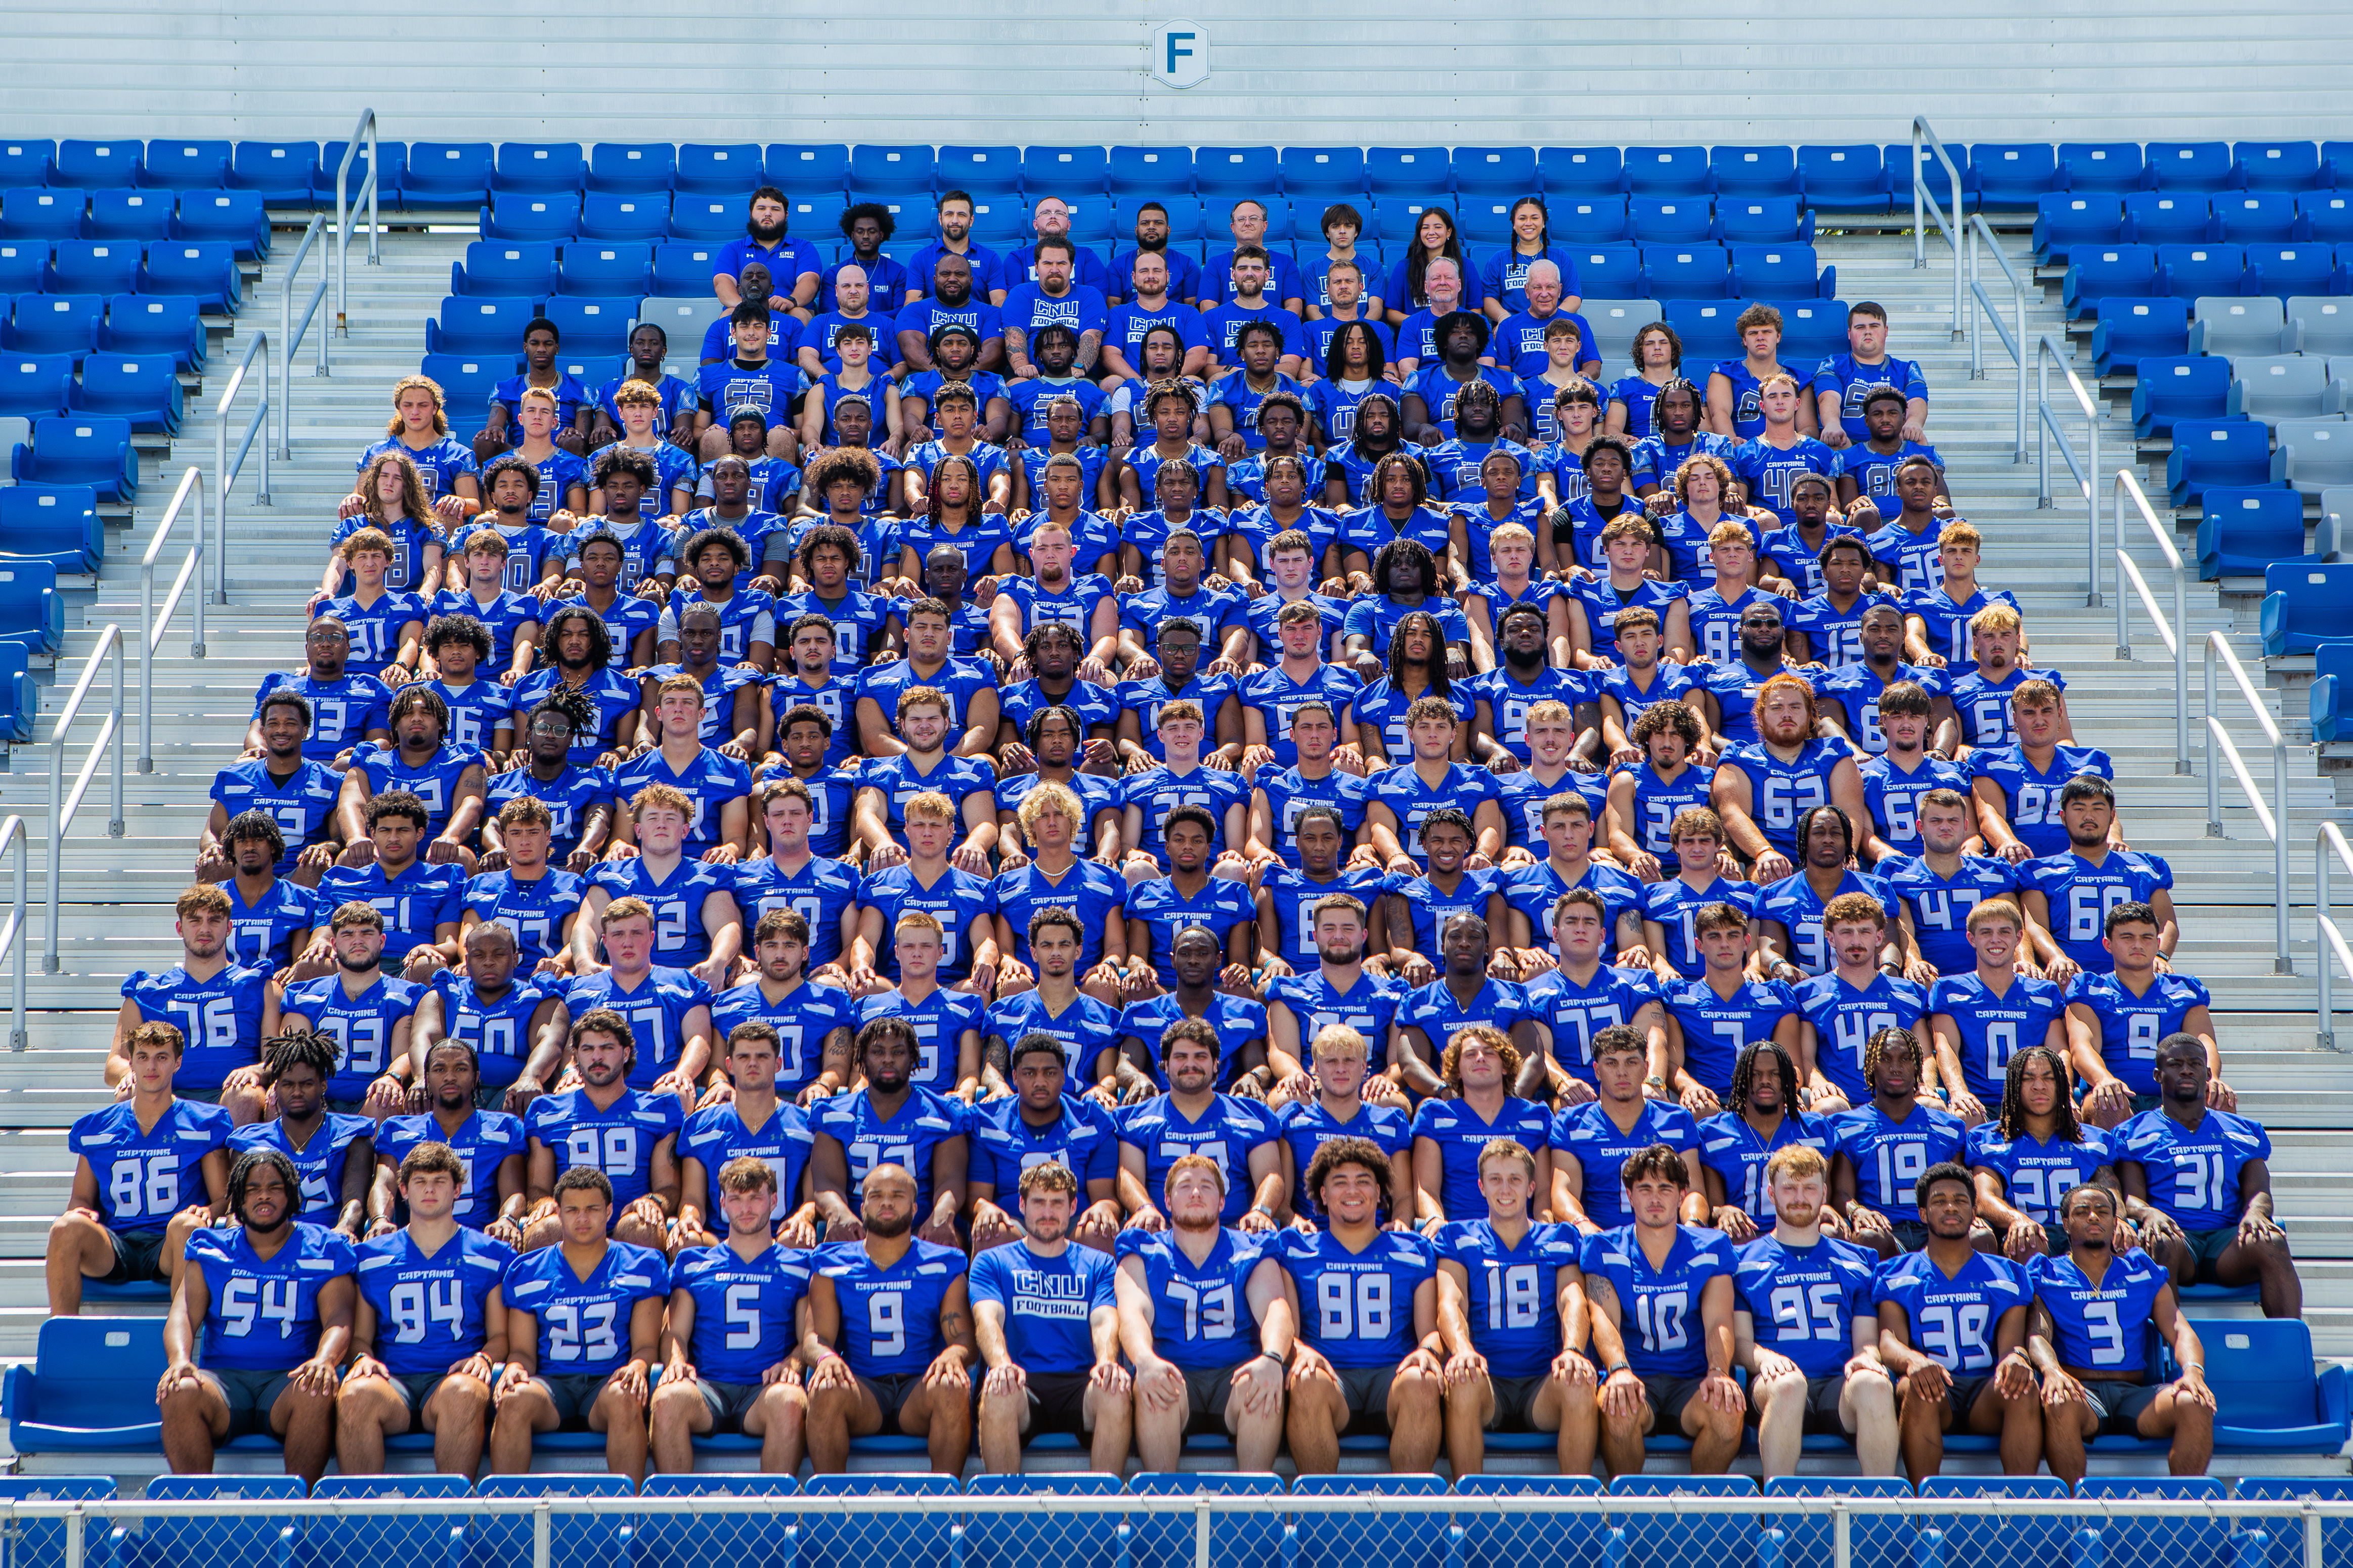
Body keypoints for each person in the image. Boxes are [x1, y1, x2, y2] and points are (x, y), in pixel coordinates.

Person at [159, 1149, 356, 1483]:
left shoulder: (325, 1247)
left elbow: (339, 1317)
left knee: (316, 1388)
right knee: (179, 1389)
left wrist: (325, 1358)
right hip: (223, 1380)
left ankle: (297, 1509)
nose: (263, 1195)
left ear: (292, 1194)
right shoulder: (210, 1247)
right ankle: (193, 1513)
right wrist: (179, 1360)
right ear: (238, 1197)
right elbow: (183, 1313)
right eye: (252, 1188)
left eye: (275, 1187)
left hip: (287, 1380)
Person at [335, 1142, 512, 1475]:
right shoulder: (372, 1256)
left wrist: (484, 1358)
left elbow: (501, 1335)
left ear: (458, 1188)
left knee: (464, 1392)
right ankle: (363, 1521)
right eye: (420, 1181)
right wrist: (362, 1359)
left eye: (440, 1181)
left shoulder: (491, 1254)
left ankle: (454, 1519)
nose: (429, 1189)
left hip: (453, 1378)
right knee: (356, 1392)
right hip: (393, 1381)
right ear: (403, 1189)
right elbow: (360, 1338)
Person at [1274, 1136, 1444, 1472]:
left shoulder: (1413, 1248)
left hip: (1392, 1378)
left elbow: (1431, 1332)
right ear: (1323, 1194)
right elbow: (1287, 1329)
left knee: (1422, 1380)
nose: (1353, 1190)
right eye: (1340, 1182)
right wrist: (1300, 1351)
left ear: (1380, 1192)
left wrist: (1428, 1351)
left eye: (1363, 1181)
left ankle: (1412, 1513)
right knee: (1306, 1380)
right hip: (1330, 1378)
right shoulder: (1295, 1248)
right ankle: (1319, 1513)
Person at [490, 1166, 668, 1483]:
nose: (582, 1219)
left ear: (610, 1211)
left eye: (592, 1210)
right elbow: (522, 1351)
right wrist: (516, 1367)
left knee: (626, 1397)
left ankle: (629, 1513)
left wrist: (639, 1366)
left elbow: (645, 1346)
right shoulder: (527, 1270)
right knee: (514, 1399)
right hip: (552, 1385)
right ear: (557, 1213)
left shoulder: (642, 1264)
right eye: (572, 1210)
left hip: (607, 1381)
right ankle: (508, 1519)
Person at [1115, 1153, 1293, 1470]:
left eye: (1206, 1187)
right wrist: (1145, 1360)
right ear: (1167, 1202)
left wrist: (1272, 1358)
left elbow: (1274, 1310)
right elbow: (1132, 1315)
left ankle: (1253, 1508)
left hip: (1234, 1373)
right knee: (1156, 1385)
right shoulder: (1143, 1250)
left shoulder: (1250, 1248)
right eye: (1185, 1186)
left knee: (1263, 1383)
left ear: (1223, 1202)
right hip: (1173, 1368)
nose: (1196, 1193)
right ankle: (1162, 1506)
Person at [2027, 1181, 2213, 1482]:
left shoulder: (2141, 1271)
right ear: (2065, 1224)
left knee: (2195, 1402)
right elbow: (2038, 1333)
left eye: (2102, 1212)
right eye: (2082, 1211)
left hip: (2133, 1394)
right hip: (2081, 1391)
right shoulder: (2047, 1274)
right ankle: (2075, 1513)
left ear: (2116, 1222)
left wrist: (2193, 1371)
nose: (2093, 1217)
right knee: (2059, 1401)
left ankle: (2186, 1513)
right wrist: (2051, 1370)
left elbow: (2179, 1329)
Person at [1433, 1135, 1597, 1476]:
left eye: (1515, 1179)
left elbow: (1573, 1299)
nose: (1504, 1189)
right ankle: (1470, 1508)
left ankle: (1578, 1511)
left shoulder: (1559, 1238)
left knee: (1578, 1380)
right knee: (1463, 1378)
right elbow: (1451, 1300)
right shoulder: (1458, 1237)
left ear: (1532, 1186)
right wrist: (1462, 1349)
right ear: (1480, 1186)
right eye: (1495, 1179)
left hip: (1541, 1385)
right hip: (1486, 1384)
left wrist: (1572, 1350)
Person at [1731, 1144, 1897, 1479]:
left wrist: (1866, 1357)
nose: (1799, 1197)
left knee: (1875, 1384)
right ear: (1770, 1192)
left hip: (1838, 1384)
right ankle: (1779, 1511)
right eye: (1789, 1187)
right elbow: (1739, 1341)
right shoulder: (1742, 1260)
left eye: (1809, 1187)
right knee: (1790, 1385)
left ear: (1824, 1191)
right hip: (1777, 1384)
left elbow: (1866, 1338)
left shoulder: (1857, 1260)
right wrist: (1764, 1359)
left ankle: (1881, 1514)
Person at [1581, 1142, 1745, 1475]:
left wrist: (1718, 1371)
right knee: (1618, 1406)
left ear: (1683, 1194)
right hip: (1635, 1372)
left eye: (1665, 1188)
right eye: (1645, 1188)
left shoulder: (1711, 1247)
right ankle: (1628, 1513)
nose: (1655, 1198)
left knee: (1727, 1409)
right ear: (1630, 1194)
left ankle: (1701, 1512)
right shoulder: (1604, 1247)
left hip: (1692, 1379)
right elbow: (1604, 1320)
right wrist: (1619, 1369)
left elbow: (1719, 1321)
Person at [1872, 1160, 2042, 1481]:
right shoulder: (1895, 1272)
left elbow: (2011, 1346)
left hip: (1985, 1391)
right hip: (1933, 1388)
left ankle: (2023, 1511)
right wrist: (1914, 1361)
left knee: (2023, 1385)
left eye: (1961, 1200)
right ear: (1923, 1214)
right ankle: (1924, 1509)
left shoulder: (2008, 1272)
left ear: (1974, 1211)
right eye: (1939, 1201)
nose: (1951, 1207)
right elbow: (1889, 1340)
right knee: (1916, 1386)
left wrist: (2017, 1360)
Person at [803, 1161, 976, 1474]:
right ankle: (830, 1511)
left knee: (952, 1385)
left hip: (918, 1390)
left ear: (914, 1207)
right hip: (863, 1390)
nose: (886, 1202)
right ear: (862, 1205)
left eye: (897, 1195)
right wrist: (825, 1358)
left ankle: (945, 1508)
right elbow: (817, 1339)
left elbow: (964, 1339)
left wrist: (954, 1354)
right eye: (877, 1195)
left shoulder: (943, 1264)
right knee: (825, 1387)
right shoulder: (832, 1264)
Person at [648, 1155, 815, 1475]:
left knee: (790, 1400)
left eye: (756, 1197)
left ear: (775, 1200)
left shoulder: (799, 1266)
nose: (746, 1208)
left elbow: (808, 1336)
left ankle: (776, 1518)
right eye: (736, 1200)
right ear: (723, 1203)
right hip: (708, 1386)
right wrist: (677, 1363)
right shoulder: (695, 1264)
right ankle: (673, 1520)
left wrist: (790, 1365)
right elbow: (676, 1332)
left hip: (764, 1389)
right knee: (668, 1398)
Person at [50, 1021, 231, 1316]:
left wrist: (210, 1211)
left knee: (189, 1228)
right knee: (65, 1228)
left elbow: (223, 1197)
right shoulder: (97, 1127)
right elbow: (81, 1197)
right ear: (131, 1062)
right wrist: (80, 1211)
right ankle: (62, 1337)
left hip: (169, 1244)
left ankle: (183, 1342)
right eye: (144, 1056)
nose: (152, 1066)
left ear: (178, 1062)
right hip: (116, 1243)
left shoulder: (203, 1122)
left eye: (162, 1057)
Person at [2117, 1033, 2300, 1319]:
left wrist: (2256, 1214)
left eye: (2195, 1063)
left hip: (2227, 1244)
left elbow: (2259, 1191)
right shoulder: (2134, 1131)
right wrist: (2148, 1212)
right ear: (2158, 1074)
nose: (2187, 1070)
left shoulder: (2242, 1129)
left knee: (2272, 1241)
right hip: (2178, 1239)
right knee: (2160, 1242)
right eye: (2176, 1064)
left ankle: (2291, 1345)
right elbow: (2131, 1196)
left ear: (2208, 1073)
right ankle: (2170, 1351)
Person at [968, 1162, 1131, 1473]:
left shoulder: (1099, 1264)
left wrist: (1107, 1362)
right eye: (1038, 1202)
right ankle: (1003, 1514)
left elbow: (1104, 1321)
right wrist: (1001, 1364)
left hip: (1081, 1383)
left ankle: (1104, 1513)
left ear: (1073, 1207)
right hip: (1022, 1381)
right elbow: (988, 1319)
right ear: (1021, 1205)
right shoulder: (993, 1261)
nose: (1047, 1212)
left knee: (1114, 1390)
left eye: (1057, 1203)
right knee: (997, 1390)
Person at [520, 1010, 683, 1251]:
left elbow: (668, 1186)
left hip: (629, 1216)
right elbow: (537, 1187)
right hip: (573, 1219)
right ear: (575, 1057)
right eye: (587, 1049)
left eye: (607, 1048)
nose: (597, 1057)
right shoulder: (546, 1111)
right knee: (545, 1229)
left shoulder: (659, 1109)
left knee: (642, 1227)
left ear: (626, 1053)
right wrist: (544, 1202)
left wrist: (653, 1202)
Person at [115, 884, 275, 1125]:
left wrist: (256, 1070)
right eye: (195, 920)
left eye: (215, 920)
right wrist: (129, 1074)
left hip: (231, 1094)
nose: (205, 929)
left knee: (247, 1095)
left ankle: (240, 1163)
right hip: (169, 1094)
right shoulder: (147, 992)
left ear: (230, 927)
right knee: (132, 1092)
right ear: (180, 928)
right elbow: (114, 1063)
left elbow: (275, 1059)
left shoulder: (259, 986)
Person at [808, 1018, 968, 1247]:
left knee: (946, 1241)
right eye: (878, 1051)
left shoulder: (943, 1114)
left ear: (913, 1058)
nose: (888, 1059)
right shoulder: (834, 1114)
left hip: (920, 1229)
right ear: (862, 1059)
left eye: (898, 1052)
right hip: (857, 1229)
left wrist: (942, 1215)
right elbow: (826, 1184)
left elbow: (951, 1181)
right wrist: (837, 1213)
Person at [2063, 903, 2222, 1131]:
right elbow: (2082, 1048)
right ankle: (2112, 1167)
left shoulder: (2185, 990)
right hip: (2119, 1094)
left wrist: (2212, 1078)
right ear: (2108, 945)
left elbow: (2205, 1043)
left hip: (2175, 1095)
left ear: (2158, 943)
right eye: (2127, 937)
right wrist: (2104, 1079)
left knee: (2219, 1097)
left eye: (2147, 937)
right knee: (2109, 1103)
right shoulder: (2089, 988)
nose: (2138, 945)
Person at [1118, 1017, 1285, 1230]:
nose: (1190, 1065)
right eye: (1180, 1057)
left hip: (1237, 1233)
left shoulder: (1251, 1115)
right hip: (1163, 1232)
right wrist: (1144, 1208)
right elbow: (1128, 1175)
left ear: (1216, 1064)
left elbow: (1271, 1175)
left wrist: (1261, 1211)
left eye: (1201, 1056)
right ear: (1165, 1065)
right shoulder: (1137, 1119)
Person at [671, 1021, 820, 1253]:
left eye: (762, 1056)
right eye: (743, 1057)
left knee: (798, 1238)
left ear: (778, 1064)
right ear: (729, 1065)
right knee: (686, 1240)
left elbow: (812, 1199)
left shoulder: (806, 1126)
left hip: (781, 1239)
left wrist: (804, 1216)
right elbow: (693, 1198)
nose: (753, 1063)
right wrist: (689, 1216)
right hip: (721, 1240)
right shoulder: (702, 1126)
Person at [967, 1033, 1122, 1250]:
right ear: (1015, 1077)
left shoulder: (1091, 1120)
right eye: (1029, 1073)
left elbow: (1105, 1195)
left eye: (1049, 1073)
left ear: (1063, 1077)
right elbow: (977, 1196)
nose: (1040, 1082)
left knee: (1099, 1230)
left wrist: (1105, 1208)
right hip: (1015, 1222)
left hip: (1074, 1222)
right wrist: (984, 1208)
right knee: (991, 1230)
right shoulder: (990, 1121)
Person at [369, 1037, 531, 1242]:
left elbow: (513, 1191)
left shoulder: (504, 1127)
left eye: (461, 1069)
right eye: (439, 1070)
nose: (450, 1077)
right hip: (416, 1239)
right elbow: (383, 1185)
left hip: (481, 1238)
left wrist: (507, 1219)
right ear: (426, 1078)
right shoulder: (398, 1130)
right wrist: (380, 1220)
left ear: (476, 1077)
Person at [564, 892, 722, 1103]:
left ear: (652, 938)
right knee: (569, 1092)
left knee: (675, 1092)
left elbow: (699, 1038)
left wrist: (684, 1072)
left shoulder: (681, 983)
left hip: (659, 1088)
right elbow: (570, 1045)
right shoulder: (582, 990)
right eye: (618, 934)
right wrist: (571, 1070)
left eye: (637, 933)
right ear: (605, 941)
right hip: (599, 1088)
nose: (627, 943)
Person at [1967, 1044, 2118, 1262]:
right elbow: (1984, 1198)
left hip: (2081, 1234)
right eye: (2029, 1079)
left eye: (2049, 1078)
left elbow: (2110, 1192)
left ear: (2062, 1086)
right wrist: (2018, 1219)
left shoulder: (2094, 1139)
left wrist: (2118, 1219)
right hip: (2024, 1238)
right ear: (2014, 1086)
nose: (2039, 1086)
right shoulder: (1989, 1138)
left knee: (2122, 1239)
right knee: (2029, 1241)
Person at [1926, 900, 2068, 1126]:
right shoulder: (1949, 989)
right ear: (1972, 939)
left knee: (2070, 1115)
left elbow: (2059, 1051)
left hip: (2032, 1100)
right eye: (1986, 933)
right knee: (1965, 1115)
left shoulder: (2045, 992)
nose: (1996, 940)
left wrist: (2065, 1094)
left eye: (2004, 932)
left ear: (2019, 938)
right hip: (1980, 1099)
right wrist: (1959, 1092)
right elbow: (1946, 1046)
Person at [1549, 1025, 1704, 1233]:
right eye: (1611, 1063)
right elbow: (1563, 1192)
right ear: (1596, 1070)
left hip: (1666, 1239)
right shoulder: (1571, 1123)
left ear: (1645, 1068)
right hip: (1599, 1240)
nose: (1622, 1072)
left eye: (1631, 1062)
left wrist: (1692, 1226)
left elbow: (1693, 1191)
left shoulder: (1677, 1120)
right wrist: (1582, 1224)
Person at [1830, 1026, 1968, 1257]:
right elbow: (1841, 1193)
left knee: (1978, 1236)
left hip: (1936, 1230)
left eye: (1906, 1059)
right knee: (1869, 1236)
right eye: (1885, 1059)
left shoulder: (1948, 1127)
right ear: (1871, 1066)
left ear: (1917, 1067)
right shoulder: (1847, 1125)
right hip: (1884, 1231)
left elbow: (1960, 1188)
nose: (1896, 1068)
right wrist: (1857, 1211)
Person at [1713, 683, 1869, 883]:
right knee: (1768, 876)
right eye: (1777, 708)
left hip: (1827, 857)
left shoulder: (1833, 753)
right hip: (1771, 861)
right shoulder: (1740, 757)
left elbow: (1850, 810)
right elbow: (1733, 814)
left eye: (1795, 707)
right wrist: (1763, 852)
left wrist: (1847, 851)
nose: (1787, 715)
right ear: (1760, 719)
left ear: (1810, 716)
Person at [277, 904, 421, 1119]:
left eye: (366, 933)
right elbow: (294, 1052)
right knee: (278, 1099)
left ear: (382, 941)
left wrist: (392, 1077)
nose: (358, 941)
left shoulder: (405, 995)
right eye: (348, 934)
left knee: (386, 1100)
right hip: (317, 1097)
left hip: (373, 1096)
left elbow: (403, 1053)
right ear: (334, 944)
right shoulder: (306, 994)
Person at [228, 1031, 375, 1233]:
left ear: (323, 1085)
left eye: (306, 1084)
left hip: (327, 1238)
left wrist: (344, 1229)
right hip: (268, 1241)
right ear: (276, 1088)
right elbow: (237, 1211)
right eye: (288, 1085)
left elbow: (355, 1203)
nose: (297, 1092)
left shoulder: (352, 1137)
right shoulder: (250, 1142)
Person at [1410, 1026, 1556, 1230]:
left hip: (1522, 1234)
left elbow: (1543, 1192)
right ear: (1457, 1070)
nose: (1480, 1058)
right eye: (1470, 1055)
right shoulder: (1435, 1115)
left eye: (1490, 1053)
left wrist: (1543, 1228)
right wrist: (1436, 1221)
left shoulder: (1535, 1116)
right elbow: (1426, 1189)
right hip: (1458, 1234)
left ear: (1505, 1066)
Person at [1659, 903, 1800, 1112]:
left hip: (1763, 1097)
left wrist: (1786, 1091)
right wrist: (1689, 1085)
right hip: (1708, 1098)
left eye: (1733, 936)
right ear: (1699, 945)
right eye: (1714, 937)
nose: (1725, 944)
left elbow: (1792, 1064)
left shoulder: (1775, 996)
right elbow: (1671, 1062)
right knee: (1701, 1108)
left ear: (1746, 942)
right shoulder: (1680, 997)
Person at [1787, 887, 1921, 1105]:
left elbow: (1924, 1055)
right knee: (1830, 1106)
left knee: (1930, 1104)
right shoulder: (1809, 994)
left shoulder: (1909, 993)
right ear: (1830, 937)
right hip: (1842, 1100)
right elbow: (1806, 1057)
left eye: (1865, 932)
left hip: (1899, 1100)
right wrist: (1818, 1082)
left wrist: (1923, 1081)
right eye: (1846, 932)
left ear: (1879, 937)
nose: (1856, 941)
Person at [710, 909, 857, 1103]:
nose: (780, 955)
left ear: (805, 952)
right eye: (771, 946)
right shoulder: (727, 1004)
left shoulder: (831, 1001)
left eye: (789, 946)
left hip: (802, 1101)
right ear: (757, 951)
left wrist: (822, 1084)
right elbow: (716, 1065)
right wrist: (719, 1082)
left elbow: (837, 1064)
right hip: (742, 1102)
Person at [1521, 895, 1662, 1097]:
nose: (1580, 929)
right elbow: (1541, 1053)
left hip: (1631, 1093)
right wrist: (1563, 1082)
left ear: (1602, 935)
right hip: (1570, 1100)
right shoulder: (1534, 992)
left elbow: (1655, 1038)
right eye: (1571, 922)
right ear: (1555, 934)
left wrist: (1653, 1081)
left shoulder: (1635, 982)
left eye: (1589, 922)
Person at [1697, 1041, 1835, 1240]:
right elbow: (1715, 1204)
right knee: (1733, 1235)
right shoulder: (1715, 1131)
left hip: (1801, 1228)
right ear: (1742, 1080)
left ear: (1788, 1079)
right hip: (1746, 1231)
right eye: (1755, 1074)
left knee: (1830, 1230)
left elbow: (1825, 1192)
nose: (1765, 1081)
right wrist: (1724, 1211)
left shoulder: (1815, 1129)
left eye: (1775, 1074)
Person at [1274, 1023, 1412, 1220]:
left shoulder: (1391, 1122)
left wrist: (1400, 1226)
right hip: (1311, 1239)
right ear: (1316, 1067)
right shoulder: (1293, 1121)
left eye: (1349, 1060)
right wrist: (1294, 1222)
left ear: (1364, 1066)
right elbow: (1282, 1202)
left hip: (1375, 1238)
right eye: (1331, 1061)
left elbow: (1403, 1197)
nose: (1340, 1069)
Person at [1971, 691, 2114, 867]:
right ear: (2015, 719)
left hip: (2077, 863)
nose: (2039, 721)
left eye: (2047, 711)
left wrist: (2114, 838)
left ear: (2060, 715)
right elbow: (1988, 814)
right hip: (2019, 864)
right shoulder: (1992, 762)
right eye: (2029, 713)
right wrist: (2007, 842)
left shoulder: (2088, 762)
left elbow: (2106, 810)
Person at [249, 618, 394, 769]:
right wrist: (259, 748)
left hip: (342, 770)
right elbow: (255, 733)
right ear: (307, 648)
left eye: (335, 638)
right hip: (285, 766)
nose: (326, 643)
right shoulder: (279, 684)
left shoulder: (370, 688)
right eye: (317, 638)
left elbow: (381, 740)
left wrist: (359, 752)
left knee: (347, 764)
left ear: (348, 648)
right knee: (246, 763)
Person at [197, 812, 325, 981]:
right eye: (241, 841)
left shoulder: (301, 898)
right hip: (223, 989)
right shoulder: (210, 898)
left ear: (273, 846)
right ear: (232, 849)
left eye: (258, 839)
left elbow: (299, 964)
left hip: (277, 988)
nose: (249, 847)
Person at [351, 374, 483, 523]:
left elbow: (475, 505)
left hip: (437, 528)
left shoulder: (458, 454)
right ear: (399, 408)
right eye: (408, 405)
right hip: (387, 527)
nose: (415, 411)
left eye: (423, 405)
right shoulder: (377, 452)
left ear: (435, 408)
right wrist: (352, 500)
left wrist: (462, 503)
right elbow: (360, 497)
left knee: (451, 512)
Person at [1812, 302, 1929, 447]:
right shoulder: (1833, 364)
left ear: (1886, 331)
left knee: (1917, 439)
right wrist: (1832, 424)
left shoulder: (1907, 370)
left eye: (1874, 326)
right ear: (1849, 334)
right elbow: (1829, 398)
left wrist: (1914, 422)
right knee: (1834, 440)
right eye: (1860, 327)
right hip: (1849, 444)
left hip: (1893, 443)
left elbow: (1917, 401)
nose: (1868, 332)